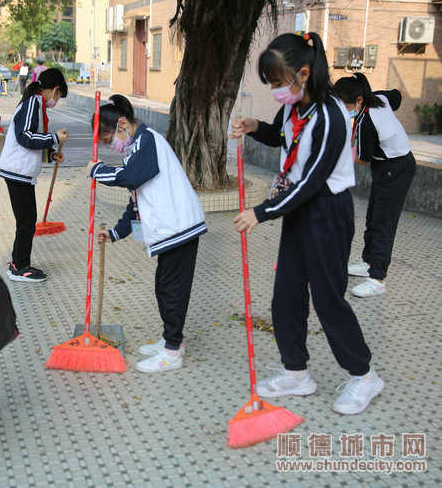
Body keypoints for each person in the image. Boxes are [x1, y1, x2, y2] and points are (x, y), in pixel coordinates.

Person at [230, 32, 383, 415]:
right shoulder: (296, 107)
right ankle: (296, 372)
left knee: (328, 298)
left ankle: (364, 376)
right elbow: (284, 137)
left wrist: (261, 211)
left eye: (279, 83)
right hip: (297, 209)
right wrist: (255, 127)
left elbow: (313, 180)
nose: (276, 91)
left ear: (303, 72)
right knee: (287, 294)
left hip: (326, 212)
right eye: (272, 85)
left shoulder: (332, 116)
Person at [87, 95, 207, 373]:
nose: (111, 146)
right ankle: (171, 341)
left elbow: (131, 178)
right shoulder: (137, 150)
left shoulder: (148, 140)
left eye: (108, 140)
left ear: (123, 124)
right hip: (170, 230)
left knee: (172, 291)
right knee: (164, 287)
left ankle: (172, 352)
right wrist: (115, 233)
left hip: (180, 227)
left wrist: (98, 171)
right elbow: (136, 201)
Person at [333, 73, 416, 298]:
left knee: (383, 224)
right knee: (372, 217)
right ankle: (368, 262)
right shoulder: (378, 97)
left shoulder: (365, 122)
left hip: (397, 168)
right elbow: (397, 96)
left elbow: (362, 158)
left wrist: (338, 155)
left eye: (345, 105)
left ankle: (377, 278)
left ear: (359, 100)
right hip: (386, 166)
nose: (343, 110)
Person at [0, 68, 68, 282]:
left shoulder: (35, 103)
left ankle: (18, 262)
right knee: (27, 222)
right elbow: (25, 136)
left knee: (27, 220)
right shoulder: (33, 103)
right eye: (58, 97)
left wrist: (51, 154)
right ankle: (19, 267)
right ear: (55, 89)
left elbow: (33, 137)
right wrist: (54, 138)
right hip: (17, 170)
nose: (56, 101)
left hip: (21, 171)